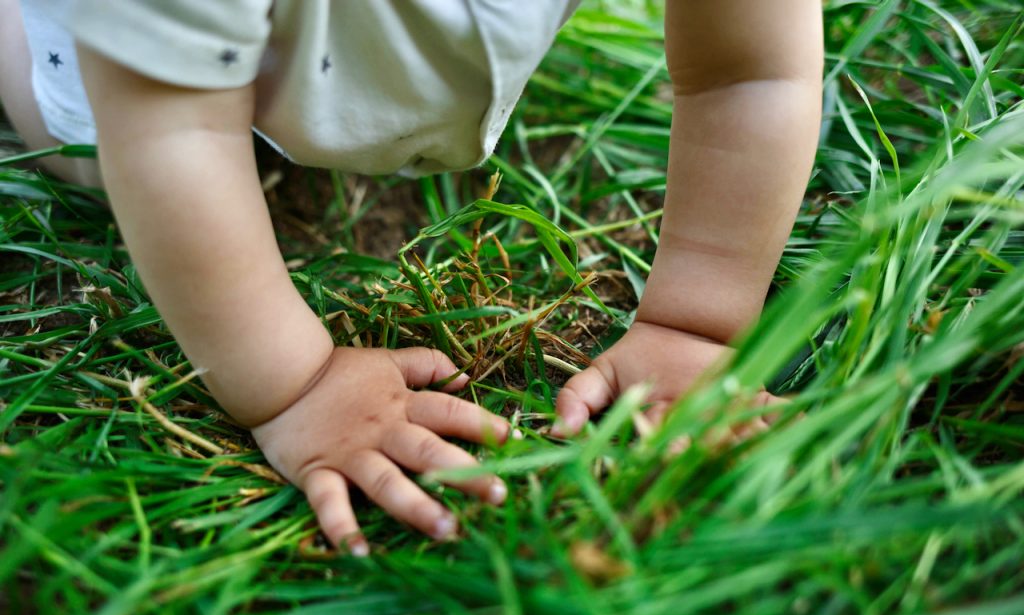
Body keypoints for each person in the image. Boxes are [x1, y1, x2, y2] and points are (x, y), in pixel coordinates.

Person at [0, 0, 823, 556]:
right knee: (98, 164)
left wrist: (697, 320)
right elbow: (170, 129)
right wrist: (296, 384)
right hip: (134, 44)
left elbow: (746, 69)